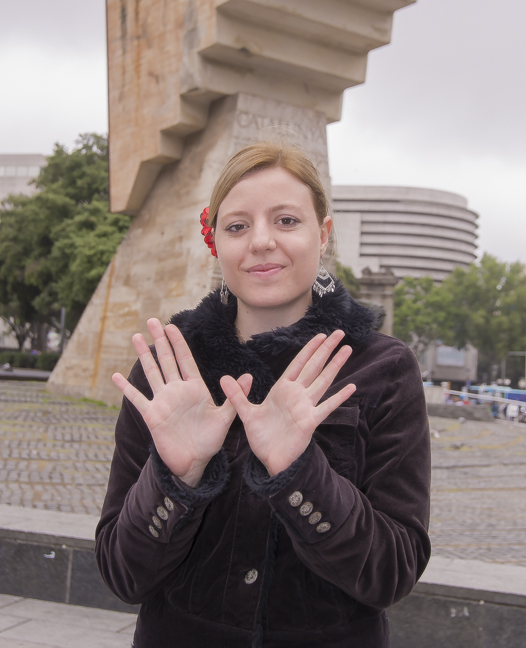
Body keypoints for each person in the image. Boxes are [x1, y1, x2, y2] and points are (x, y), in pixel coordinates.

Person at [95, 142, 431, 648]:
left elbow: (392, 573)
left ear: (323, 234)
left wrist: (301, 470)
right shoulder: (168, 370)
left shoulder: (382, 369)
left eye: (287, 221)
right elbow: (123, 575)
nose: (261, 242)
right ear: (215, 242)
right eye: (237, 226)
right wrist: (175, 477)